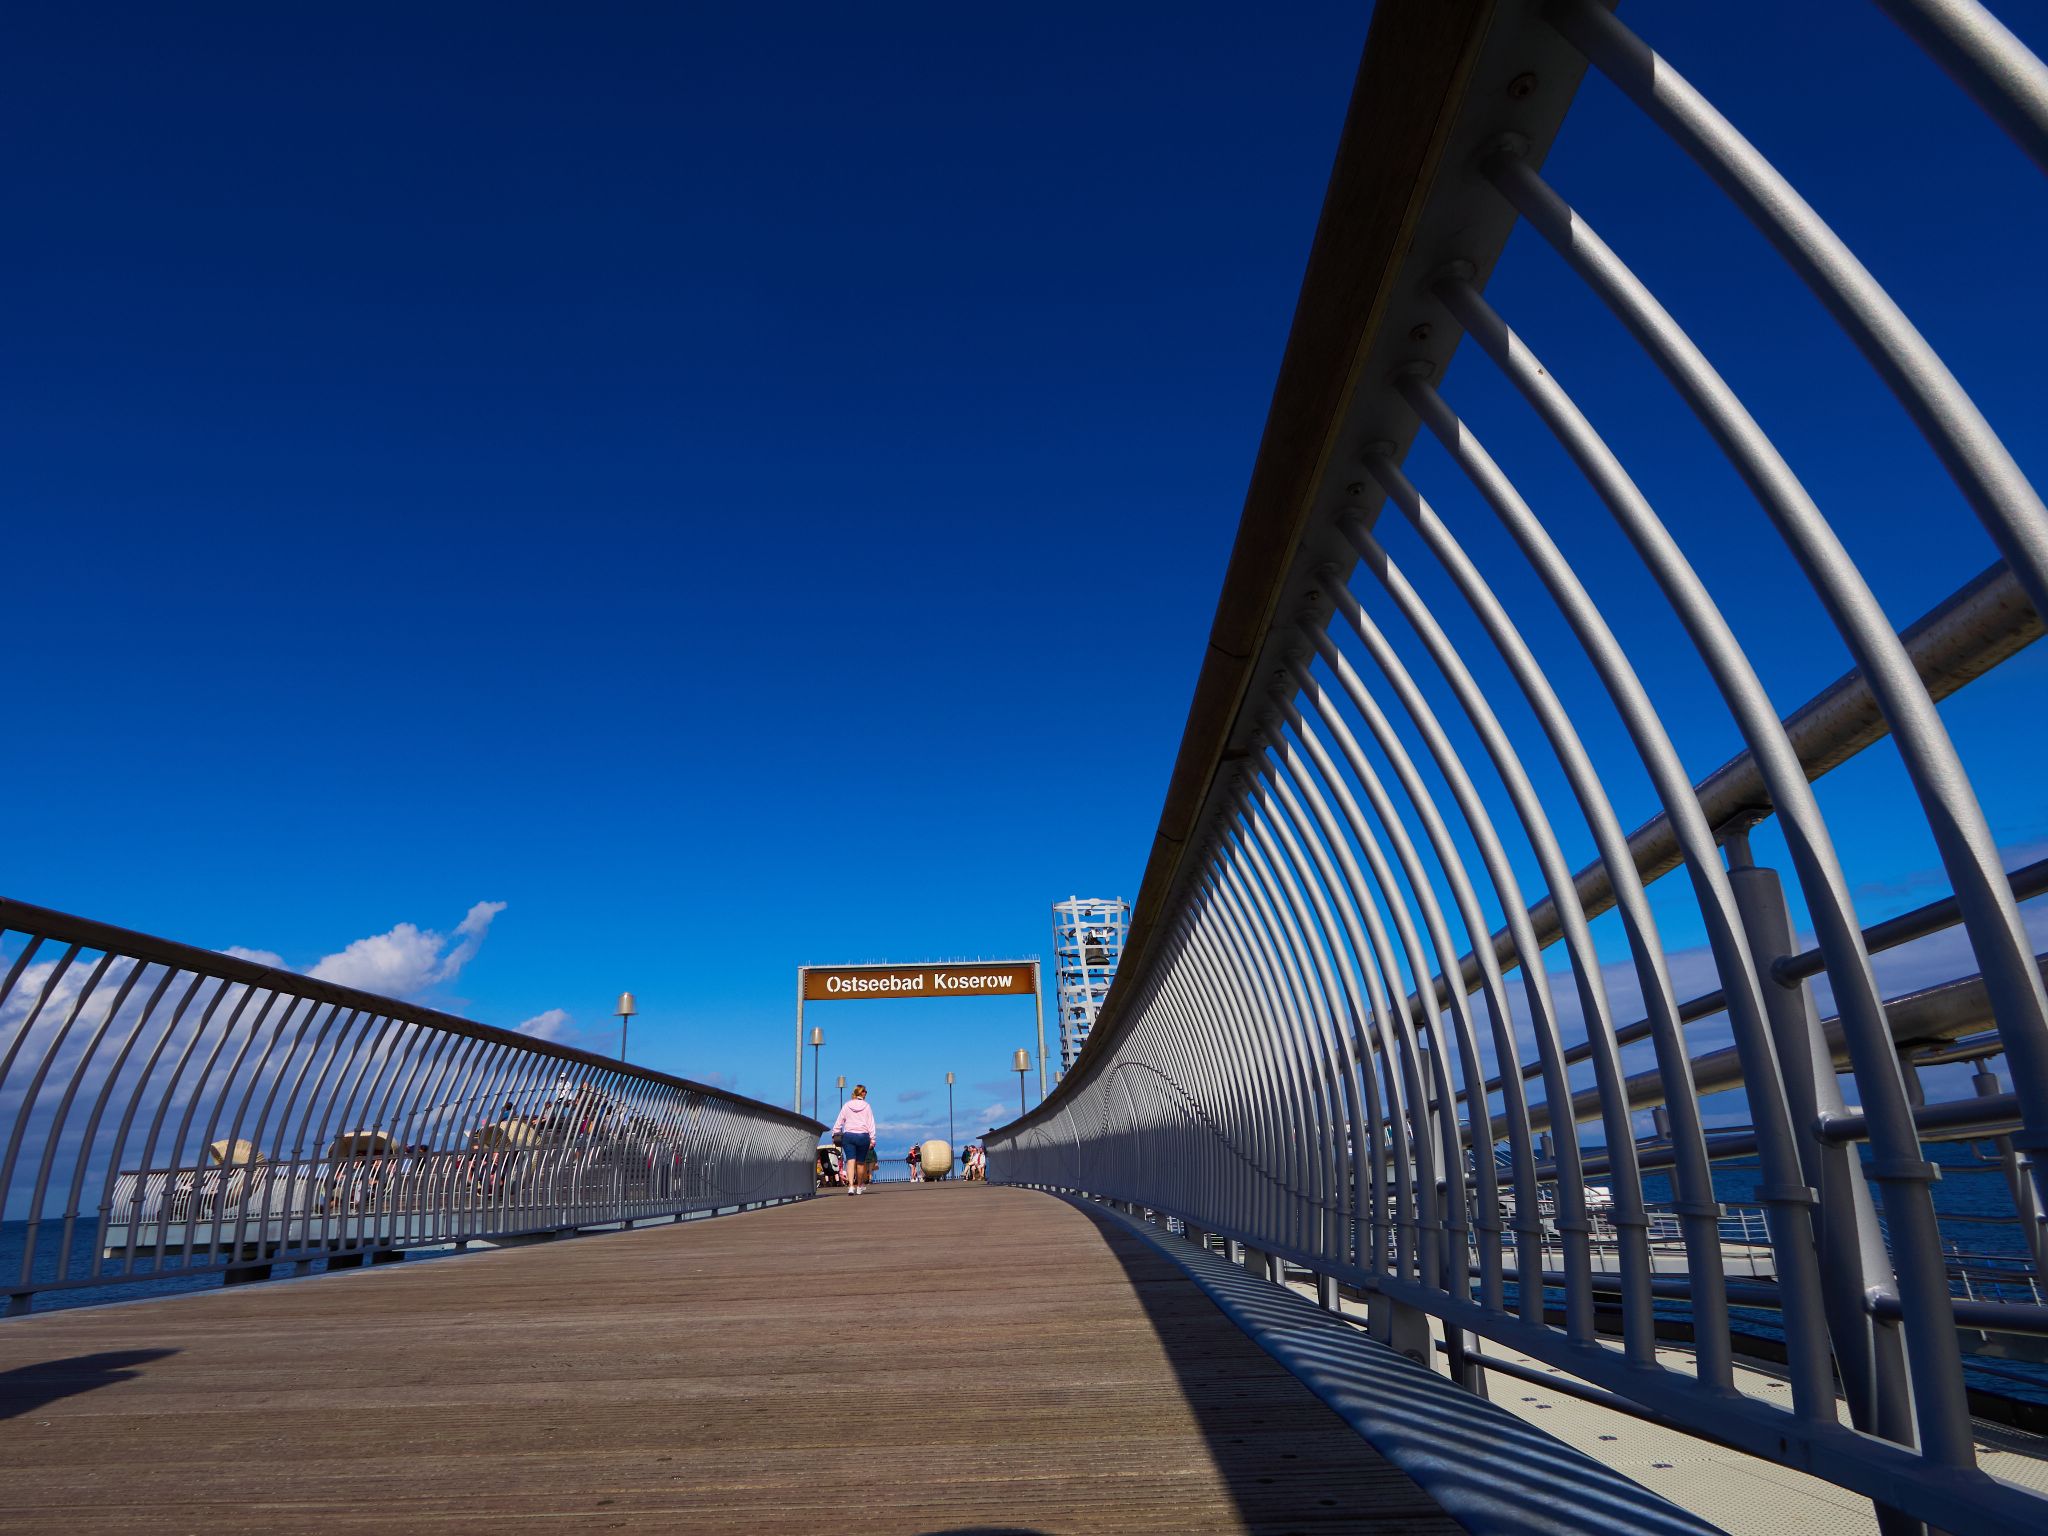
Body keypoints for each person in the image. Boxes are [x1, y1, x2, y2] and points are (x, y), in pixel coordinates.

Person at [830, 1083, 877, 1196]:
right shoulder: (866, 1106)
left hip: (849, 1136)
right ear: (861, 1093)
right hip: (863, 1136)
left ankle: (851, 1187)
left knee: (850, 1161)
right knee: (860, 1163)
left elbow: (839, 1120)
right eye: (865, 1091)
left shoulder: (847, 1105)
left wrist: (834, 1133)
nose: (866, 1093)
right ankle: (859, 1186)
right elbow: (871, 1124)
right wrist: (873, 1139)